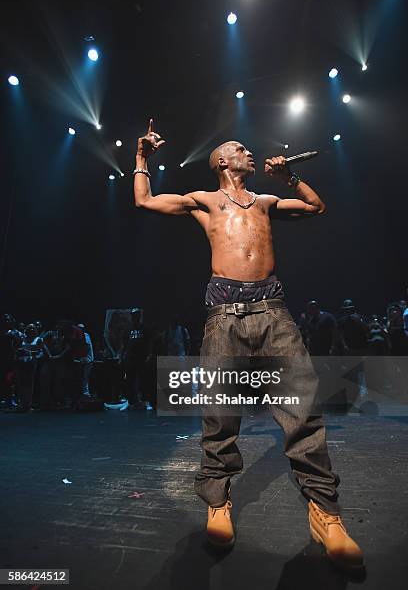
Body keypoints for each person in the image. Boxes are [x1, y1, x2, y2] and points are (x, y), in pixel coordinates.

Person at [133, 119, 364, 572]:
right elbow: (142, 200)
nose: (250, 153)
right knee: (220, 414)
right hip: (224, 315)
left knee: (302, 412)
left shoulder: (265, 200)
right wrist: (142, 157)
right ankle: (217, 502)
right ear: (222, 161)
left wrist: (290, 177)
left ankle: (326, 514)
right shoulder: (204, 201)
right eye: (241, 149)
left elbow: (317, 208)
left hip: (273, 311)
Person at [77, 323, 94, 397]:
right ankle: (83, 394)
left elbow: (86, 347)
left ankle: (86, 394)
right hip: (85, 360)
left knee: (85, 378)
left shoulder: (85, 336)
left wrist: (82, 358)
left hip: (88, 360)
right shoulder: (82, 335)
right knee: (83, 378)